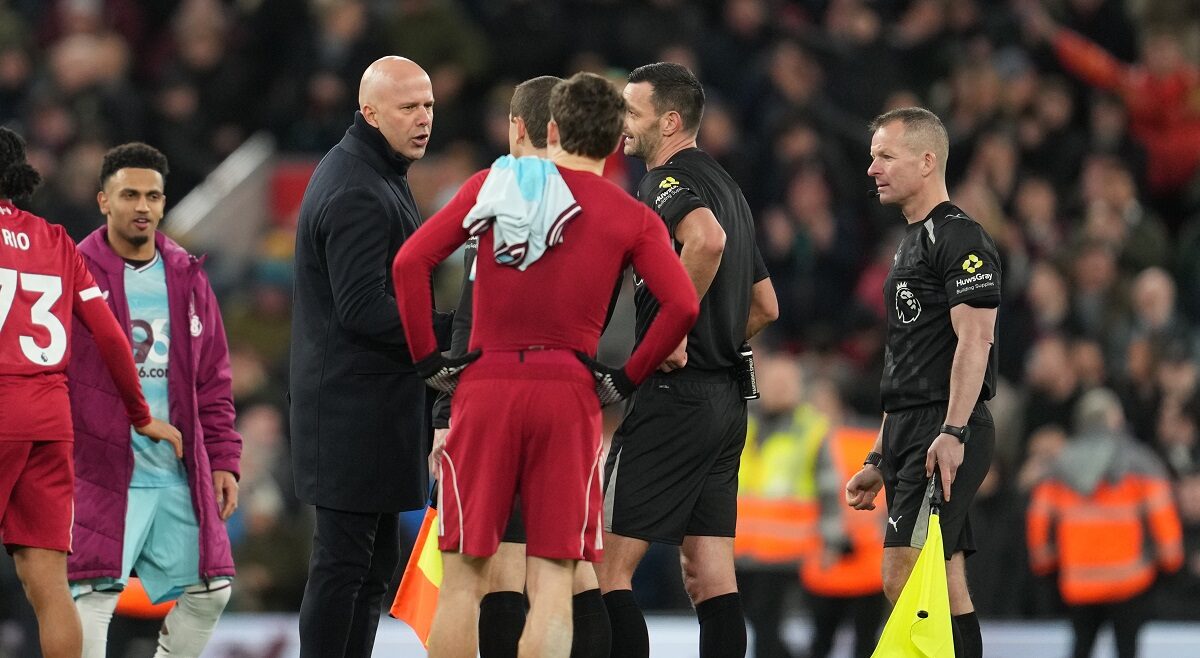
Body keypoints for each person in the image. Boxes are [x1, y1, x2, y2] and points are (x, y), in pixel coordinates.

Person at [393, 71, 698, 657]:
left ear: (550, 128)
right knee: (556, 582)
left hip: (485, 384)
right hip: (570, 391)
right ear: (614, 143)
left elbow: (410, 263)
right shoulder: (630, 214)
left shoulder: (495, 183)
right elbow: (681, 304)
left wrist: (429, 361)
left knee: (462, 582)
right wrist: (626, 377)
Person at [596, 61, 777, 658]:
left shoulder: (665, 182)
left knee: (606, 566)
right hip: (725, 402)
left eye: (632, 111)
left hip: (674, 399)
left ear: (669, 121)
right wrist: (714, 336)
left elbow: (706, 241)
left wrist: (677, 328)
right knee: (709, 574)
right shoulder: (731, 189)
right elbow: (764, 305)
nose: (622, 123)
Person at [429, 74, 612, 658]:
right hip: (572, 400)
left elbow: (466, 315)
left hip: (497, 396)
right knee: (572, 571)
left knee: (493, 568)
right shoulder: (598, 200)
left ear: (520, 127)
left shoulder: (498, 192)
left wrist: (440, 397)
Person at [289, 55, 452, 658]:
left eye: (428, 105)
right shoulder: (359, 186)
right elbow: (362, 308)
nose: (423, 118)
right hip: (351, 412)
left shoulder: (376, 170)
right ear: (370, 112)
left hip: (371, 406)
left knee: (369, 564)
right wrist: (455, 329)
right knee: (343, 565)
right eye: (408, 107)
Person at [0, 127, 180, 658]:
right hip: (51, 421)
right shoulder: (56, 240)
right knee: (50, 586)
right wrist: (140, 413)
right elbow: (110, 335)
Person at [67, 142, 241, 658]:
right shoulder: (72, 271)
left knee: (212, 591)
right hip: (101, 468)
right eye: (128, 194)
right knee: (93, 596)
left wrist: (225, 459)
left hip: (174, 470)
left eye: (152, 196)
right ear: (104, 200)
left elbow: (213, 379)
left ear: (164, 204)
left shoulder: (188, 276)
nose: (141, 206)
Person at [845, 107, 1000, 658]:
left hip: (944, 429)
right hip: (914, 427)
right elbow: (908, 359)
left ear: (928, 160)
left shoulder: (961, 238)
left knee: (903, 576)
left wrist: (954, 431)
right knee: (946, 580)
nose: (872, 169)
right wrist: (879, 457)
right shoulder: (909, 241)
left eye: (885, 156)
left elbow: (974, 340)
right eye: (872, 157)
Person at [1027, 388, 1182, 658]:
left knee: (1081, 647)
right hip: (1130, 580)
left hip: (1079, 581)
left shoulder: (1060, 465)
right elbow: (1163, 518)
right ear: (1115, 419)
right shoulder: (1140, 462)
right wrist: (1170, 563)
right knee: (1126, 650)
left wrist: (1046, 564)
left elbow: (1038, 523)